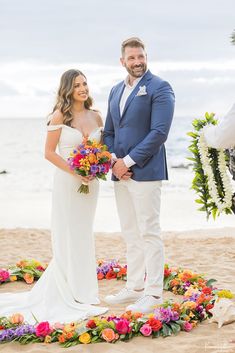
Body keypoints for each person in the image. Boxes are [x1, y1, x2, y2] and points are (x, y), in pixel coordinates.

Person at [0, 69, 108, 323]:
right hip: (68, 183)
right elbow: (49, 153)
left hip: (90, 184)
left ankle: (84, 291)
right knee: (67, 234)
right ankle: (68, 290)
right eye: (77, 85)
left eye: (84, 83)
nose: (83, 88)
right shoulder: (60, 115)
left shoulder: (97, 116)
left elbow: (103, 148)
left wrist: (97, 166)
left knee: (83, 233)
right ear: (67, 89)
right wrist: (76, 171)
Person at [103, 37, 175, 313]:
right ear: (122, 61)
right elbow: (109, 132)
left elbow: (159, 132)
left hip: (145, 172)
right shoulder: (114, 91)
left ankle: (154, 293)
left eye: (141, 56)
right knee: (130, 232)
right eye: (131, 58)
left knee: (149, 232)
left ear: (146, 57)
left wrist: (129, 161)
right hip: (119, 173)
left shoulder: (160, 87)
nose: (137, 62)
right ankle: (133, 287)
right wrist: (113, 161)